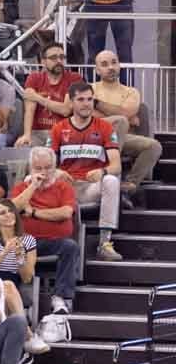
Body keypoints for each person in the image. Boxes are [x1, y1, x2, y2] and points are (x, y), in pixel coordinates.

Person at [49, 82, 123, 262]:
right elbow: (45, 163)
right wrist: (56, 171)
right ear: (72, 103)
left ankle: (104, 243)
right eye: (81, 99)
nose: (86, 104)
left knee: (111, 180)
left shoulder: (105, 127)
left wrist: (103, 171)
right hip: (66, 188)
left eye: (90, 99)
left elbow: (117, 165)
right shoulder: (58, 128)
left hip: (91, 188)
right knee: (32, 177)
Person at [0, 200, 52, 356]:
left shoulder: (28, 240)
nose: (8, 215)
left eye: (10, 211)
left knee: (8, 286)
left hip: (13, 285)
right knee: (5, 285)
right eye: (2, 213)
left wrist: (20, 257)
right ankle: (27, 334)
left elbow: (27, 278)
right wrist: (5, 252)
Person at [93, 50, 161, 200]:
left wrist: (97, 104)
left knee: (154, 146)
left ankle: (128, 185)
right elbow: (87, 115)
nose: (111, 67)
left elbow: (127, 111)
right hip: (95, 136)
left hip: (124, 137)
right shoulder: (90, 89)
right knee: (122, 121)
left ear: (119, 66)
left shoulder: (131, 92)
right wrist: (123, 116)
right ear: (97, 70)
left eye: (114, 62)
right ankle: (110, 176)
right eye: (104, 64)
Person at [16, 42, 82, 148]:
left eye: (62, 57)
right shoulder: (34, 78)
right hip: (37, 133)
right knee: (22, 146)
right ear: (43, 61)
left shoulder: (74, 78)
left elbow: (65, 110)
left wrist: (37, 97)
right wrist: (27, 135)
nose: (59, 61)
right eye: (53, 58)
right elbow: (29, 109)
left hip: (64, 131)